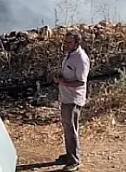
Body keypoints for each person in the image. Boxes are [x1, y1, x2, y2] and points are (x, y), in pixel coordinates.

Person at [54, 31, 89, 172]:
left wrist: (63, 82)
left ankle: (75, 161)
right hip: (66, 97)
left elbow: (81, 82)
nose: (65, 45)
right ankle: (70, 155)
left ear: (77, 43)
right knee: (68, 129)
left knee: (71, 130)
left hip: (73, 99)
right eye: (65, 41)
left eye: (69, 42)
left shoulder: (81, 58)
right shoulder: (70, 54)